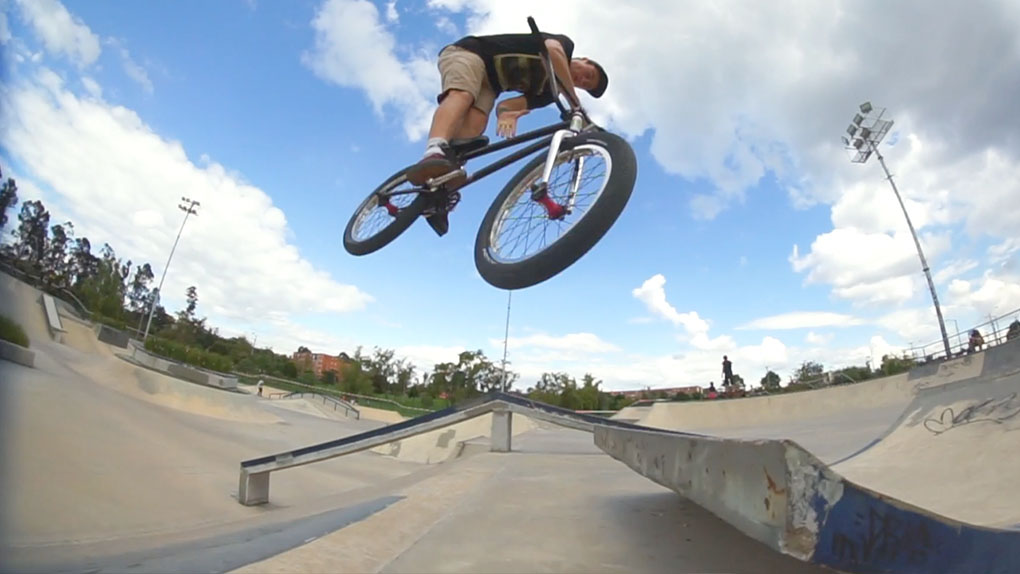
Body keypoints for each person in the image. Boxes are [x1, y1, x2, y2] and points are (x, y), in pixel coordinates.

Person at [406, 31, 609, 233]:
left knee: (471, 132)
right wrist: (575, 103)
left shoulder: (548, 94)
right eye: (587, 74)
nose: (580, 79)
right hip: (470, 53)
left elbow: (506, 106)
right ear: (584, 60)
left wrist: (507, 115)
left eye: (584, 84)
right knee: (463, 95)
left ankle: (438, 189)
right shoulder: (564, 45)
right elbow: (552, 51)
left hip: (491, 85)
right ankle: (433, 150)